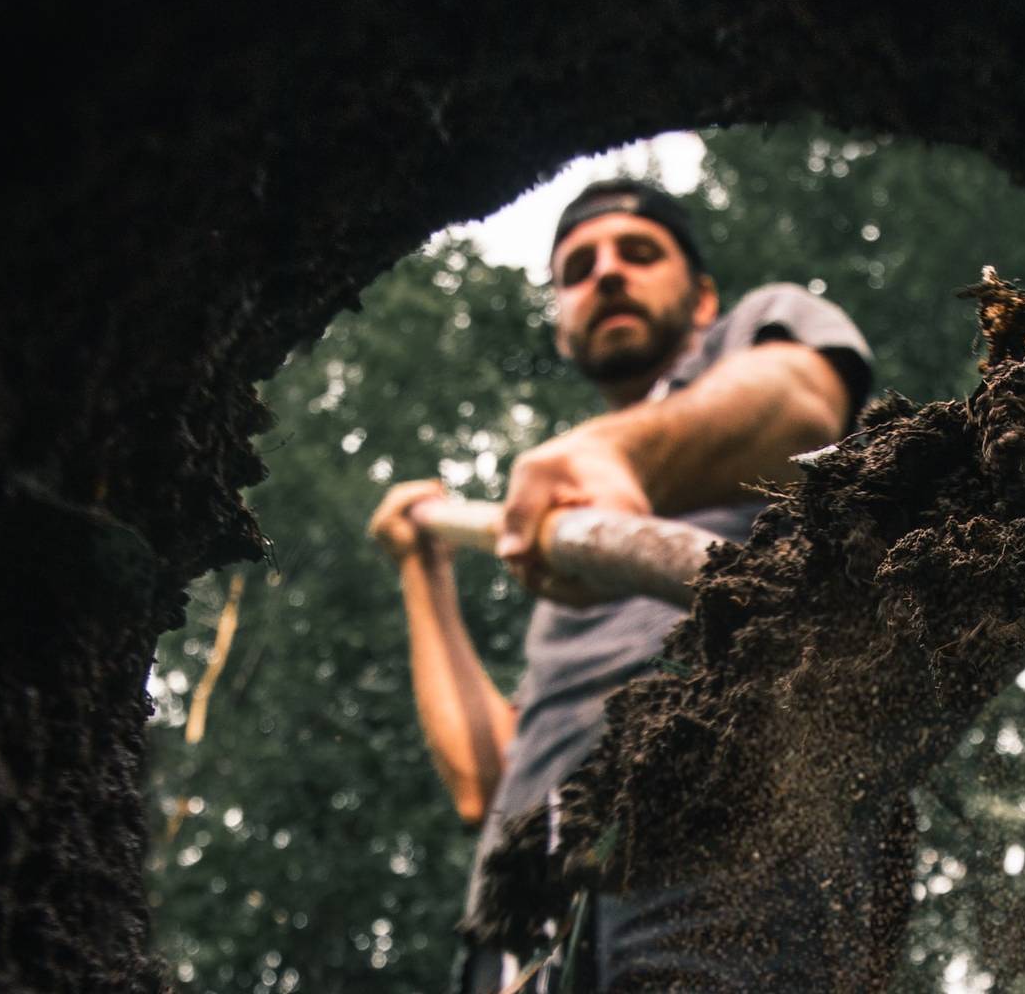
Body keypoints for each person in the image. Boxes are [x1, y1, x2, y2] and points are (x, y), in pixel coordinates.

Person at [367, 179, 873, 991]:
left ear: (703, 297)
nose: (606, 273)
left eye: (639, 253)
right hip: (519, 910)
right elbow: (482, 782)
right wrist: (422, 574)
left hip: (718, 811)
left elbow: (805, 406)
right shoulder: (568, 524)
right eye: (577, 268)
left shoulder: (752, 341)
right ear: (562, 326)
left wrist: (626, 458)